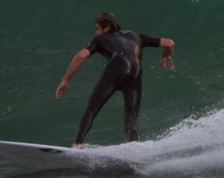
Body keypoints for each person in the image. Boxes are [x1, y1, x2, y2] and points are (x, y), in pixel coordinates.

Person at [54, 12, 175, 148]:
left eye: (97, 29)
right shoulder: (136, 35)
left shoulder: (100, 40)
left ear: (105, 28)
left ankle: (76, 145)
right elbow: (169, 43)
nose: (96, 32)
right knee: (131, 120)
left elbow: (82, 55)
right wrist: (166, 56)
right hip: (136, 71)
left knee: (92, 109)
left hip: (118, 66)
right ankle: (136, 148)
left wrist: (65, 80)